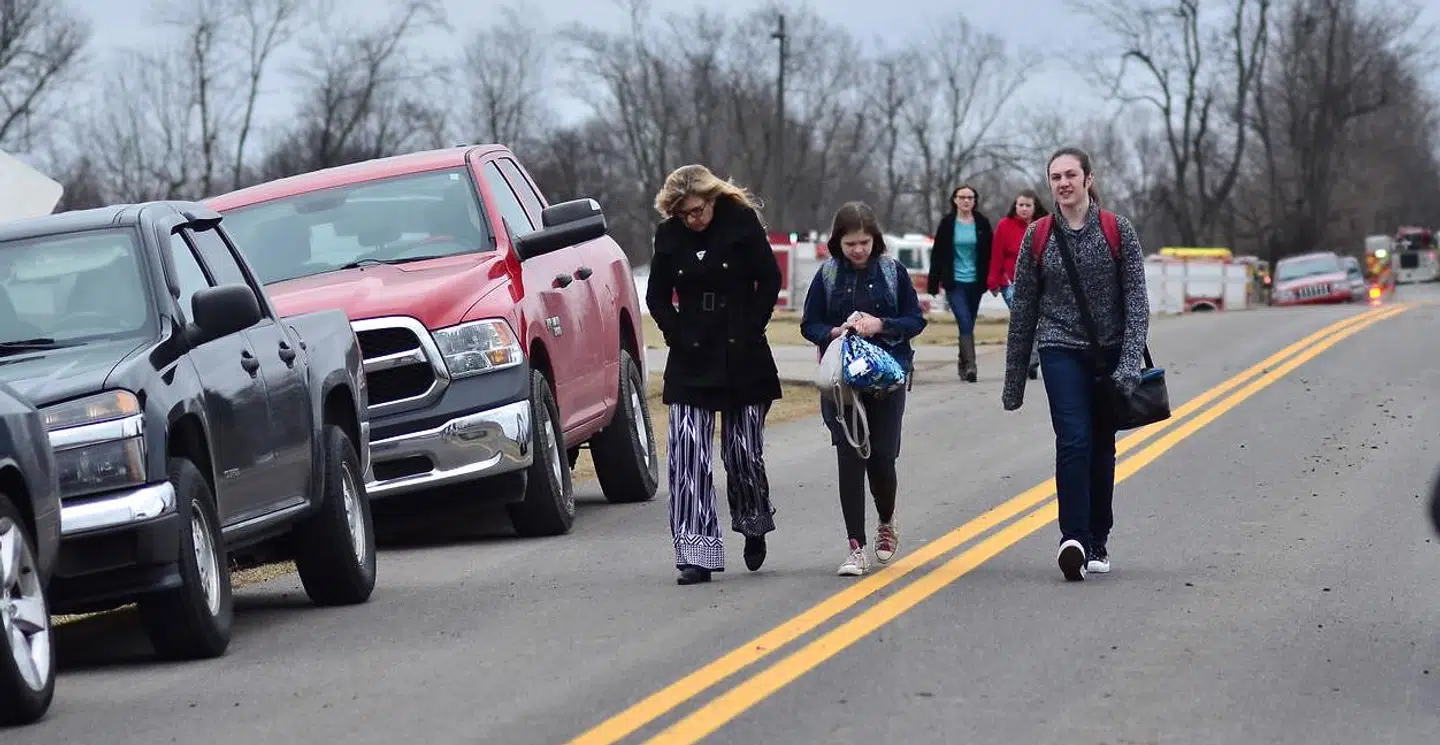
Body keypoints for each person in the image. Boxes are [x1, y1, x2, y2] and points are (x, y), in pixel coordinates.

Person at [1001, 147, 1150, 582]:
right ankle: (1074, 539)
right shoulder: (1039, 235)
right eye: (1056, 177)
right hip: (1059, 347)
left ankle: (1098, 538)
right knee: (1073, 440)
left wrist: (1129, 363)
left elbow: (1137, 300)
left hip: (1109, 353)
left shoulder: (1117, 230)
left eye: (1070, 175)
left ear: (1088, 179)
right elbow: (1024, 310)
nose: (1063, 183)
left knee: (1102, 446)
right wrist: (1014, 381)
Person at [645, 164, 784, 586]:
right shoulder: (669, 236)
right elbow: (656, 296)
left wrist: (752, 326)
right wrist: (675, 333)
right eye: (683, 213)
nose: (693, 219)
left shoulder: (740, 222)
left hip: (743, 351)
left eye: (698, 210)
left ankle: (753, 520)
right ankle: (696, 553)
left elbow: (769, 278)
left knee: (743, 453)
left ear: (712, 199)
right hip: (692, 355)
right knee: (687, 455)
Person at [801, 202, 927, 576]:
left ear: (875, 240)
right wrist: (834, 332)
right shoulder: (827, 276)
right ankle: (855, 547)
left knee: (882, 458)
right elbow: (809, 324)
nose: (858, 250)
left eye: (864, 243)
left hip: (887, 379)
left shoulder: (892, 272)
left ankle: (886, 520)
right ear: (837, 243)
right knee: (850, 458)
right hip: (842, 384)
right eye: (850, 244)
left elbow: (915, 320)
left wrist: (880, 324)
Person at [926, 185, 993, 382]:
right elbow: (938, 254)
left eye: (970, 197)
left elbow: (990, 253)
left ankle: (962, 362)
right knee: (964, 321)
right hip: (954, 282)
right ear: (955, 200)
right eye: (962, 197)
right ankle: (971, 366)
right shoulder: (947, 223)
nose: (966, 201)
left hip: (976, 282)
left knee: (968, 324)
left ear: (975, 201)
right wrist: (933, 282)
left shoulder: (982, 223)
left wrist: (992, 278)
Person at [988, 189, 1050, 380]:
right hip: (1011, 282)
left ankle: (1032, 359)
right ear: (1015, 206)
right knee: (1023, 322)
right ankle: (1026, 361)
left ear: (1035, 207)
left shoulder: (1044, 225)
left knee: (1038, 322)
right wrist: (993, 280)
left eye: (1028, 205)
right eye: (1020, 205)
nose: (1024, 209)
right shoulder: (1005, 225)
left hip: (1040, 282)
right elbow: (996, 254)